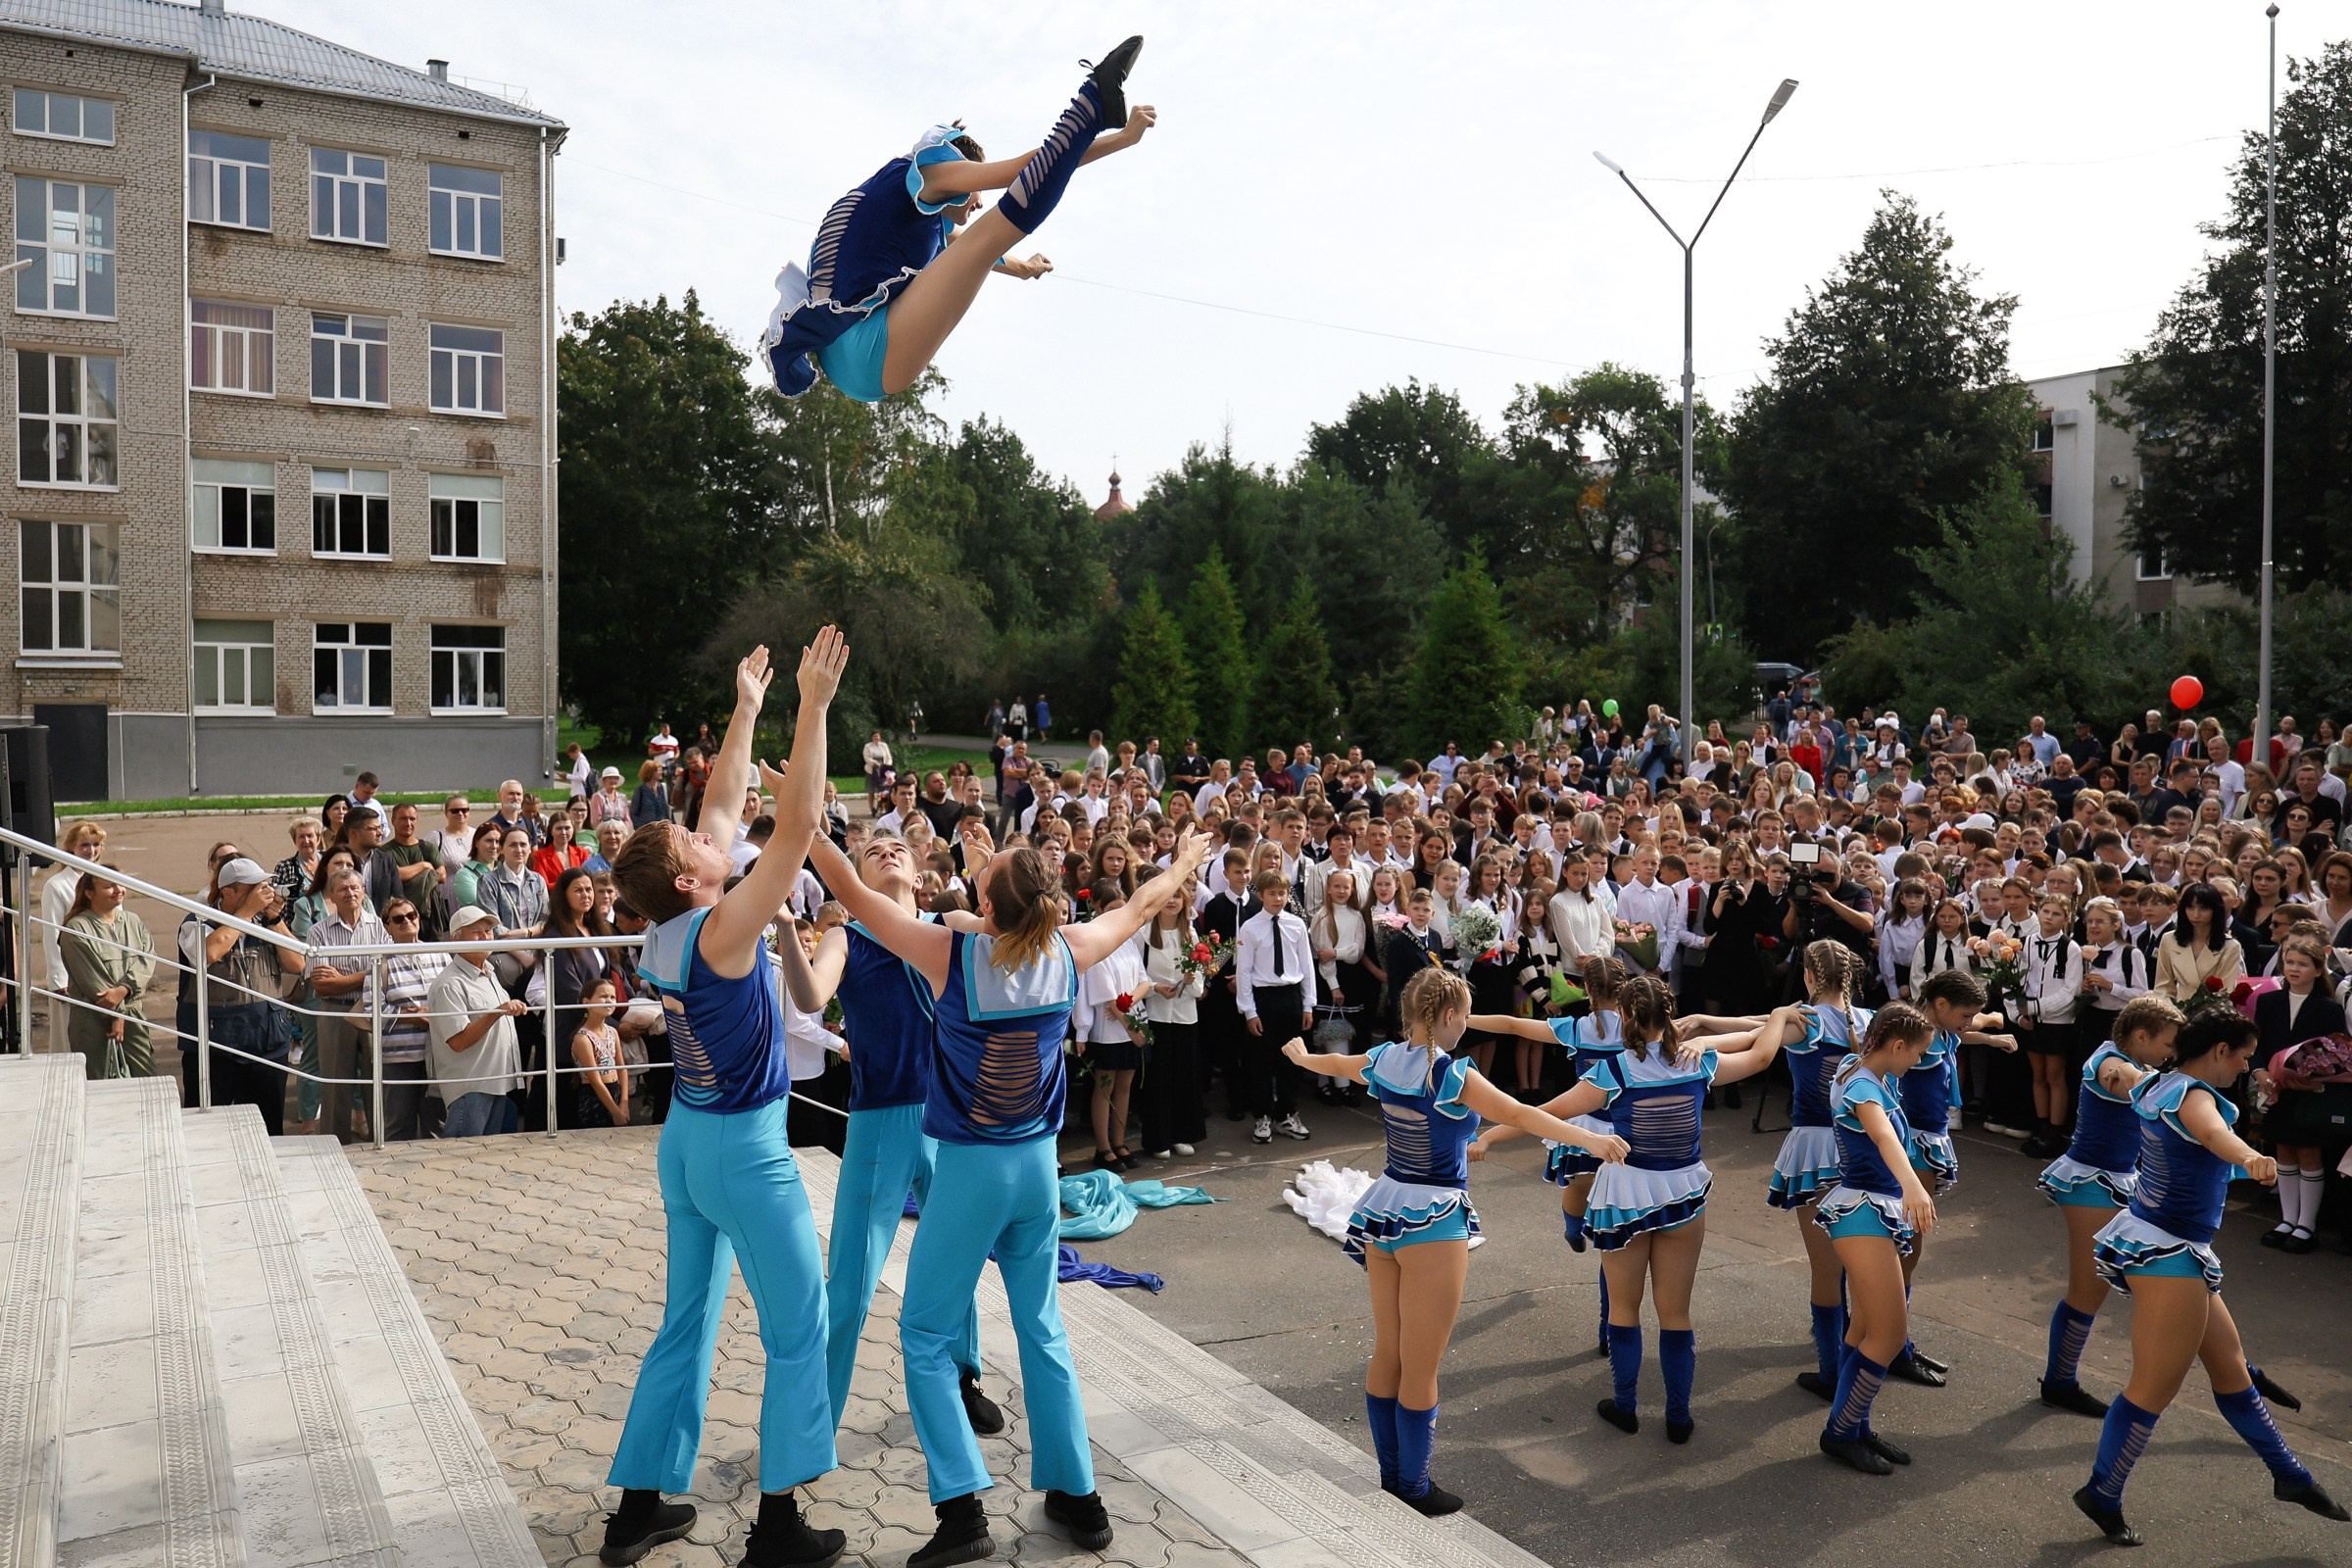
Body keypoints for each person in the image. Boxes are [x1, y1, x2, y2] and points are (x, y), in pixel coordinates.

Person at [804, 753, 1218, 1568]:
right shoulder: (1068, 947)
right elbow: (1139, 906)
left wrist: (808, 825)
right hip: (1038, 1169)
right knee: (1042, 1328)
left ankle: (962, 1512)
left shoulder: (952, 955)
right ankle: (1078, 1496)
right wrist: (1182, 863)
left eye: (982, 877)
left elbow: (849, 890)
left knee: (923, 1335)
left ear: (987, 905)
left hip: (973, 1168)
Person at [601, 635, 854, 1568]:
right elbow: (795, 829)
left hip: (687, 1144)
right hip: (745, 1151)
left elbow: (721, 802)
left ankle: (637, 1508)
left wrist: (746, 708)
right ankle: (778, 1527)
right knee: (798, 1327)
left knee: (686, 1323)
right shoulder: (723, 928)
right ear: (687, 879)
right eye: (698, 845)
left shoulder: (669, 931)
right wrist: (813, 706)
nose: (713, 832)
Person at [1284, 968, 1628, 1515]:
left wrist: (1303, 1058)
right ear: (1447, 1016)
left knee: (1390, 1351)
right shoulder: (1452, 1074)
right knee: (1421, 1364)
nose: (1465, 1025)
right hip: (1433, 1220)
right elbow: (1521, 1113)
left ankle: (1392, 1475)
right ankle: (1413, 1486)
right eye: (1464, 1016)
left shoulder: (1383, 1059)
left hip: (1384, 1211)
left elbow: (1337, 1065)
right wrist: (1590, 1138)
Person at [1474, 981, 1795, 1444]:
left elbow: (1543, 1113)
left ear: (1625, 1016)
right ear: (1670, 1014)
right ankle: (1678, 1417)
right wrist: (1779, 1014)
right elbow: (1762, 1056)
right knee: (1676, 1313)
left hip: (1625, 1196)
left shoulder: (1613, 1071)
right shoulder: (1697, 1061)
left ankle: (1625, 1406)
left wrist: (1489, 1136)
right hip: (1683, 1192)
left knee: (1624, 1307)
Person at [2073, 1011, 2346, 1546]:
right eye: (2243, 1056)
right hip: (2169, 1253)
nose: (2245, 1067)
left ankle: (2290, 1475)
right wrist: (2251, 1156)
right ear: (2220, 1050)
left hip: (2163, 1243)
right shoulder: (2195, 1096)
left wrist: (2113, 1069)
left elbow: (2181, 1131)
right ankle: (2102, 1491)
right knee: (2152, 1389)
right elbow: (2215, 1135)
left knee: (2232, 1370)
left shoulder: (2157, 1083)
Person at [760, 41, 1153, 406]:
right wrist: (1119, 139)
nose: (979, 202)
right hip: (861, 351)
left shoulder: (917, 219)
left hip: (847, 348)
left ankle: (1094, 108)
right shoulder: (929, 174)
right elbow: (1025, 170)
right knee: (989, 237)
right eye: (975, 186)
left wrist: (1025, 268)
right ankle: (1091, 104)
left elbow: (981, 253)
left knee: (981, 244)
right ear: (961, 169)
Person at [774, 828, 1001, 1439]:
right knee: (852, 1277)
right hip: (881, 1122)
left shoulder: (947, 924)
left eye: (897, 846)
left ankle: (963, 1378)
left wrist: (985, 868)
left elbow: (1008, 933)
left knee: (957, 1255)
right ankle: (816, 1415)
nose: (886, 851)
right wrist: (789, 932)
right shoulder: (846, 936)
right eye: (871, 851)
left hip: (951, 1117)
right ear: (856, 876)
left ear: (920, 870)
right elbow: (809, 996)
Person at [2034, 995, 2183, 1416]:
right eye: (2168, 1043)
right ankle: (2060, 1382)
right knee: (2088, 1290)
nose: (2171, 1053)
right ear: (2141, 1036)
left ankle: (2061, 1380)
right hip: (2090, 1183)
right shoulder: (2109, 1061)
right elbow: (2123, 1079)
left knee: (2111, 1286)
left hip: (2115, 1182)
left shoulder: (2141, 1065)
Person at [1813, 1003, 1940, 1475]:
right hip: (1862, 1214)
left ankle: (1855, 1426)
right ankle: (1840, 1433)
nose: (1919, 1061)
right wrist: (1913, 1187)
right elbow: (1884, 1136)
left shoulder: (1862, 1067)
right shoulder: (1864, 1086)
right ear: (1897, 1045)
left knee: (1864, 1331)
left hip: (1871, 1211)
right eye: (1917, 1053)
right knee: (1889, 1335)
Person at [1768, 943, 1873, 1400]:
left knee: (1825, 1269)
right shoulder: (1869, 1021)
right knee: (1858, 1258)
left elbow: (1755, 1035)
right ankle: (1859, 1354)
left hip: (1815, 1148)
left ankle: (1832, 1371)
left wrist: (1701, 1028)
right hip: (1862, 1146)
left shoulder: (1802, 1021)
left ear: (1809, 976)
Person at [187, 858, 306, 1136]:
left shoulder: (266, 923)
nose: (263, 893)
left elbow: (298, 963)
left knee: (269, 1129)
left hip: (268, 1043)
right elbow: (207, 953)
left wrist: (275, 921)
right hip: (217, 1047)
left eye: (264, 886)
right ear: (228, 892)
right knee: (211, 1131)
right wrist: (245, 914)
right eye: (253, 888)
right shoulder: (197, 922)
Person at [2254, 932, 2348, 1253]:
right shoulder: (2268, 1002)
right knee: (2283, 1151)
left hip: (2310, 1093)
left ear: (2319, 970)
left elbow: (2336, 1053)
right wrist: (2261, 1072)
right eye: (2290, 962)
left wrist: (2314, 1079)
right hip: (2277, 1089)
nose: (2294, 969)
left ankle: (2306, 1224)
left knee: (2308, 1153)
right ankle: (2287, 1219)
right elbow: (2257, 1045)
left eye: (2303, 964)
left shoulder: (2328, 1008)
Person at [428, 905, 528, 1138]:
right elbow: (458, 1041)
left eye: (488, 931)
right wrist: (496, 1013)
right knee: (463, 1152)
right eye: (476, 932)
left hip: (496, 1082)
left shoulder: (489, 973)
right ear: (455, 939)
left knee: (483, 1153)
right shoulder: (448, 984)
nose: (485, 937)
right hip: (471, 1087)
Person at [1235, 866, 1316, 1145]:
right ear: (1261, 895)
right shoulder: (1250, 927)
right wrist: (1249, 1011)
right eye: (1272, 893)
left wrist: (1308, 1004)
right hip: (1264, 998)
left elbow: (1306, 966)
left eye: (1282, 893)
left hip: (1291, 997)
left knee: (1290, 1060)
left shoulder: (1296, 925)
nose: (1278, 898)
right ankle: (1262, 1116)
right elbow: (1244, 972)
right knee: (1260, 1061)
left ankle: (1287, 1114)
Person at [1077, 879, 1151, 1171]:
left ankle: (1119, 1142)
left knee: (1125, 1086)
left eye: (1122, 909)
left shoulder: (1129, 942)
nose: (1118, 915)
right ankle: (1103, 1147)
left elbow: (1144, 981)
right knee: (1105, 1087)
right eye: (1112, 910)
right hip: (1110, 1031)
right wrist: (1129, 1025)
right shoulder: (1098, 944)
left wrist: (1128, 1002)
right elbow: (1106, 994)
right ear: (1098, 909)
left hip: (1132, 1020)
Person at [1135, 875, 1208, 1158]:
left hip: (1185, 1016)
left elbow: (1199, 984)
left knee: (1184, 1077)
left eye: (1177, 896)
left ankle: (1182, 1135)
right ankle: (1159, 1139)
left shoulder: (1190, 935)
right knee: (1158, 1079)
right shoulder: (1144, 935)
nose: (1172, 901)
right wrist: (1155, 988)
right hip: (1156, 1015)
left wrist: (1190, 981)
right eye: (1167, 896)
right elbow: (1137, 974)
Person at [59, 866, 155, 1080]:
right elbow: (92, 980)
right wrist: (116, 1014)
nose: (118, 890)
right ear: (89, 893)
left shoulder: (133, 921)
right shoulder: (76, 929)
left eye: (120, 883)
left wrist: (125, 989)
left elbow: (147, 960)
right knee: (100, 1083)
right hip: (93, 1019)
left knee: (147, 1079)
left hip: (133, 1014)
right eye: (109, 886)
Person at [375, 897, 445, 1142]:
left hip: (437, 1056)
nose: (406, 921)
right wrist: (413, 1017)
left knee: (437, 1125)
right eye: (398, 919)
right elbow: (372, 1010)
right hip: (399, 1059)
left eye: (411, 915)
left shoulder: (440, 955)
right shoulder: (379, 961)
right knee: (398, 1126)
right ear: (388, 927)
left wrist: (433, 1014)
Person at [572, 977, 629, 1129]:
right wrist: (615, 1112)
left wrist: (624, 1103)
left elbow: (622, 1068)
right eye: (603, 997)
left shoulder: (613, 1032)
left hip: (615, 1092)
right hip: (594, 1098)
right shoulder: (583, 1038)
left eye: (613, 997)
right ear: (586, 1002)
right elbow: (595, 1080)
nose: (609, 1001)